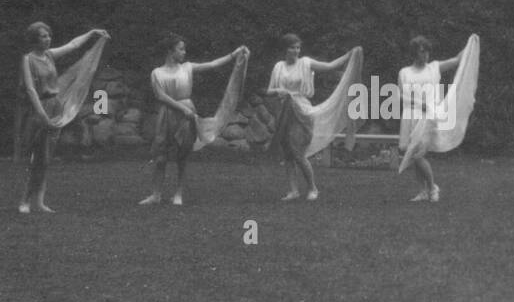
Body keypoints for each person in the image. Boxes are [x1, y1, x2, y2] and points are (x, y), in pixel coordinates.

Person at [140, 34, 248, 206]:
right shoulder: (157, 73)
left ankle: (178, 194)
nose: (184, 52)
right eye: (180, 49)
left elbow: (212, 64)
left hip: (186, 115)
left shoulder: (187, 67)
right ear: (170, 51)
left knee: (182, 155)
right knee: (160, 157)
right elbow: (160, 96)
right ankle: (156, 194)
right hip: (169, 114)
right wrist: (182, 108)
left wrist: (234, 55)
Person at [16, 21, 109, 213]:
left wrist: (92, 32)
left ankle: (39, 202)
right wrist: (42, 115)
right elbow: (31, 89)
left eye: (48, 35)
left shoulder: (49, 55)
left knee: (46, 157)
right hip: (38, 109)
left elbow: (73, 45)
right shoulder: (28, 59)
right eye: (43, 36)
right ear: (34, 39)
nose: (47, 39)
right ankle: (25, 200)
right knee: (36, 157)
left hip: (55, 106)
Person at [266, 33, 361, 201]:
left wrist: (348, 55)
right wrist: (279, 91)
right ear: (285, 49)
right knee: (288, 154)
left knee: (298, 153)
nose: (296, 51)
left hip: (302, 111)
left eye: (298, 47)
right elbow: (269, 90)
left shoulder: (306, 62)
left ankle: (312, 187)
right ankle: (293, 190)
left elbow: (330, 66)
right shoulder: (278, 67)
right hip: (283, 111)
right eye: (292, 47)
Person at [397, 34, 479, 202]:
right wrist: (418, 103)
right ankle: (423, 190)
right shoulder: (404, 72)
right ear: (414, 53)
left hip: (428, 116)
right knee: (408, 150)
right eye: (421, 52)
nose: (425, 55)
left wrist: (471, 42)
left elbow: (456, 60)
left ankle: (433, 187)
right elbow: (401, 95)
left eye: (427, 51)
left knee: (417, 154)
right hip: (410, 114)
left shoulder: (434, 67)